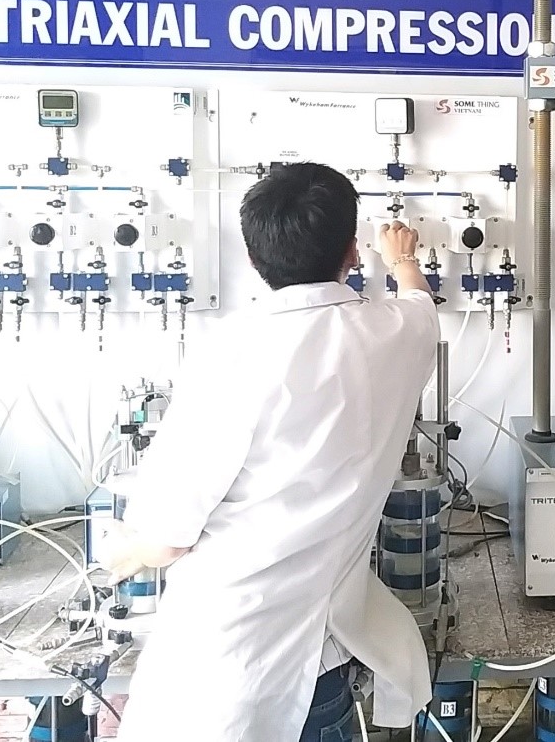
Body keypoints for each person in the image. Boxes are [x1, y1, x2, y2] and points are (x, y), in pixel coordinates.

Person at [105, 162, 441, 742]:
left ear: (252, 258)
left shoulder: (232, 352)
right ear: (351, 250)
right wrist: (402, 258)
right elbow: (421, 306)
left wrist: (126, 552)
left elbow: (165, 540)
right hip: (322, 664)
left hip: (223, 668)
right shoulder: (392, 333)